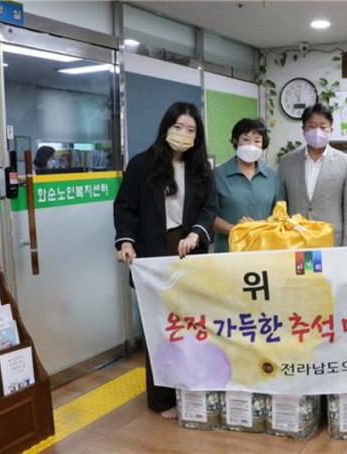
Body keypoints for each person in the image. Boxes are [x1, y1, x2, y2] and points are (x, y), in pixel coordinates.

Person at [113, 101, 217, 419]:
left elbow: (209, 207)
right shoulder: (141, 164)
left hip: (188, 251)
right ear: (166, 128)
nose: (183, 134)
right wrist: (126, 240)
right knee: (159, 327)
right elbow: (125, 206)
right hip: (152, 252)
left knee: (191, 324)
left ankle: (192, 390)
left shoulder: (201, 168)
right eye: (178, 127)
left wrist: (197, 233)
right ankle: (162, 399)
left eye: (191, 129)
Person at [277, 103, 347, 247]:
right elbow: (280, 206)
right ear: (303, 130)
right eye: (312, 126)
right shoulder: (287, 162)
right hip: (295, 240)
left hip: (331, 240)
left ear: (331, 130)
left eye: (323, 127)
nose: (317, 131)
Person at [213, 118, 281, 252]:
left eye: (257, 141)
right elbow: (208, 215)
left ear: (263, 145)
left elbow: (280, 215)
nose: (251, 145)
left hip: (264, 249)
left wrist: (258, 227)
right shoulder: (217, 175)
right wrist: (237, 230)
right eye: (246, 139)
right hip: (229, 249)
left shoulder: (272, 177)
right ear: (235, 142)